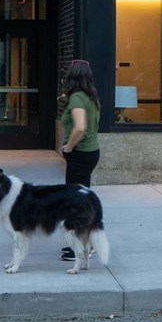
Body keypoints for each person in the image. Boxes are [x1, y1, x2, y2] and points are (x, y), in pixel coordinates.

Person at [58, 57, 101, 259]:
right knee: (83, 199)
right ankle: (85, 243)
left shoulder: (77, 98)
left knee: (76, 201)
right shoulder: (91, 97)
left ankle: (80, 247)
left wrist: (68, 147)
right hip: (91, 152)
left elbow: (80, 127)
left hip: (80, 154)